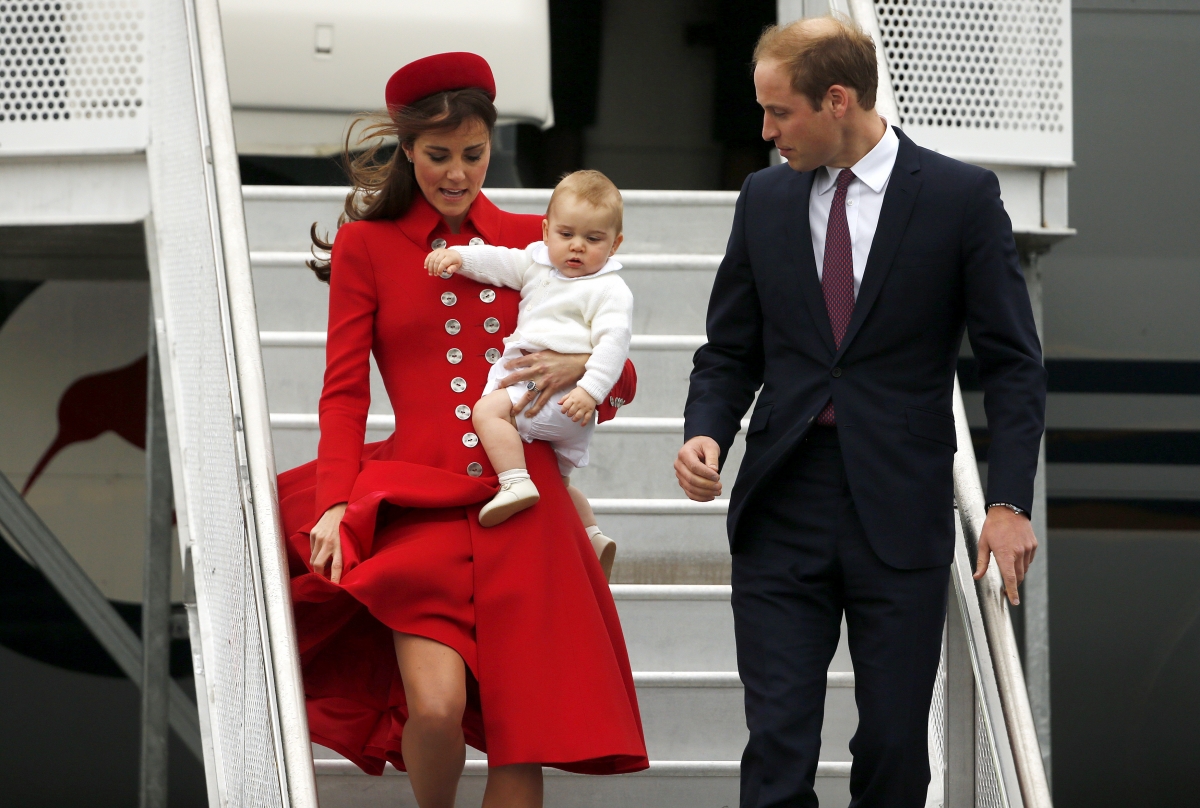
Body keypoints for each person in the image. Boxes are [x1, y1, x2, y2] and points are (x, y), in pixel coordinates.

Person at [674, 18, 1046, 808]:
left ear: (836, 100)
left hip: (899, 505)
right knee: (777, 743)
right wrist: (705, 429)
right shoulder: (764, 197)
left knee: (891, 745)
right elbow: (730, 349)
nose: (766, 131)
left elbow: (1012, 363)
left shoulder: (959, 196)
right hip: (782, 499)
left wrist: (1008, 502)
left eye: (780, 112)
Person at [277, 52, 648, 808]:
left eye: (473, 154)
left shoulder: (537, 239)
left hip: (524, 505)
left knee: (524, 740)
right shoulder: (367, 246)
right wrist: (331, 501)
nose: (456, 172)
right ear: (407, 150)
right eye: (438, 155)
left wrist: (580, 363)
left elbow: (623, 377)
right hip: (417, 499)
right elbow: (343, 393)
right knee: (438, 707)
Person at [424, 170, 631, 574]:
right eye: (566, 234)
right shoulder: (537, 264)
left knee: (486, 412)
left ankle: (515, 481)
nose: (576, 247)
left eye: (593, 239)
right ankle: (592, 536)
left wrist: (589, 391)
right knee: (560, 482)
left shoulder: (610, 289)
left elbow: (614, 344)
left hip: (558, 396)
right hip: (566, 407)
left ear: (615, 244)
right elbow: (501, 261)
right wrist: (460, 257)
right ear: (546, 230)